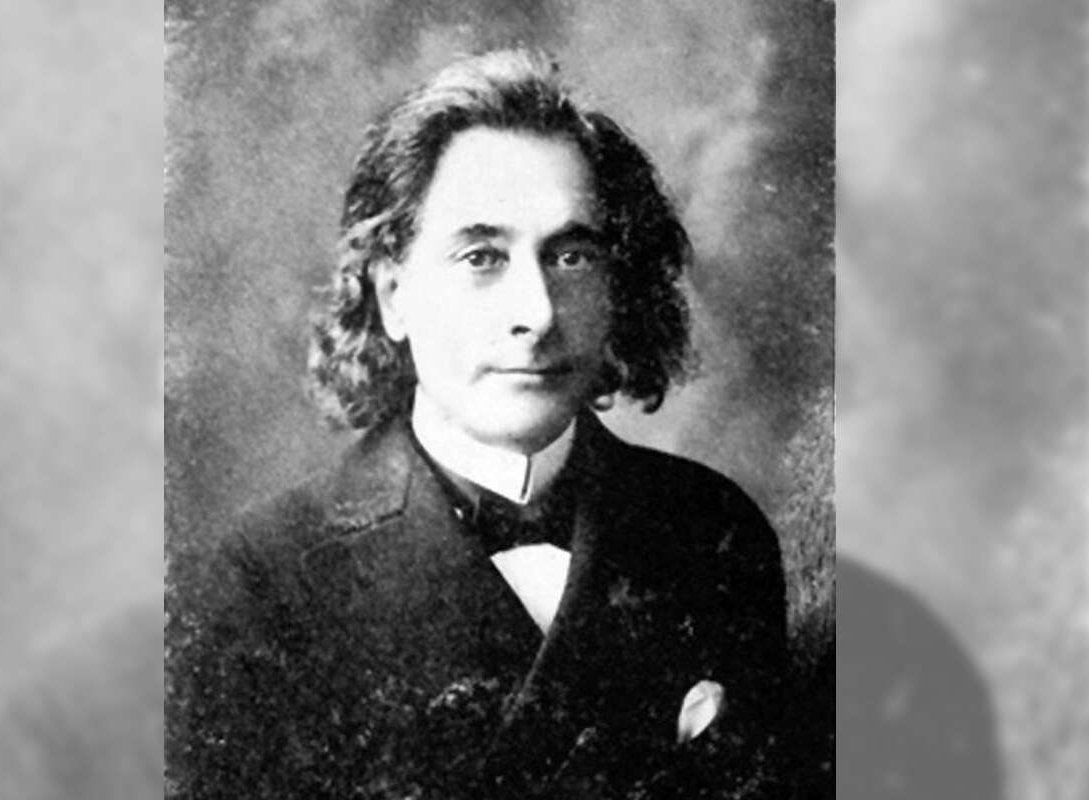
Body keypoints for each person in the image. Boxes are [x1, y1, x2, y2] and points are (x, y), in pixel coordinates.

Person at [167, 49, 789, 799]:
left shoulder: (714, 532)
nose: (537, 312)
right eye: (481, 257)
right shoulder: (264, 581)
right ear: (393, 296)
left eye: (570, 256)